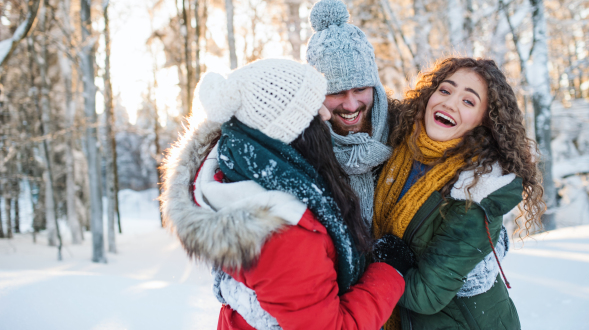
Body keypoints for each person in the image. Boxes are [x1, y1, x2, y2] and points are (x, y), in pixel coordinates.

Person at [160, 58, 410, 330]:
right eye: (314, 112)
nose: (326, 116)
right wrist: (389, 272)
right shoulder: (285, 233)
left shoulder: (237, 171)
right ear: (292, 132)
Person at [373, 57, 545, 329]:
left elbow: (426, 294)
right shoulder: (399, 145)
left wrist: (381, 266)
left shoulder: (476, 190)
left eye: (468, 101)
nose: (449, 103)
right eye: (444, 90)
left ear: (484, 121)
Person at [306, 0, 393, 227]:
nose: (351, 105)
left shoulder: (405, 134)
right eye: (336, 93)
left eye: (360, 89)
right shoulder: (302, 150)